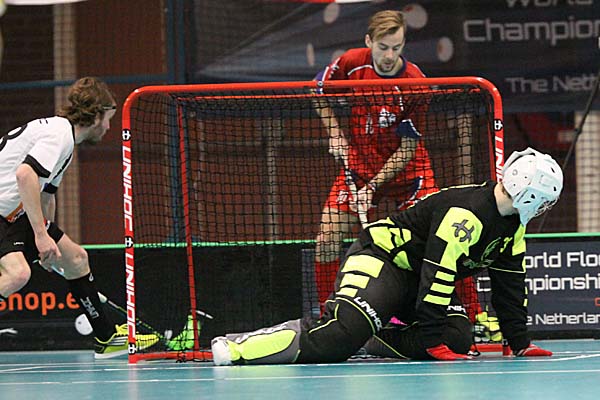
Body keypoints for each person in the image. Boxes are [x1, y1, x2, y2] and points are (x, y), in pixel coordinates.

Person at [211, 147, 562, 365]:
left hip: (415, 276)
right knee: (338, 336)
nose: (545, 208)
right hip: (382, 258)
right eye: (544, 201)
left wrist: (520, 342)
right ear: (529, 196)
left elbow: (510, 286)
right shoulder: (465, 215)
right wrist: (431, 342)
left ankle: (372, 337)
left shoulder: (512, 227)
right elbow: (438, 277)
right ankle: (238, 346)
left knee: (457, 337)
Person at [0, 77, 158, 358]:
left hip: (12, 212)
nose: (108, 127)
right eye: (108, 119)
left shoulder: (66, 141)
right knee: (18, 274)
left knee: (75, 259)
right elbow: (25, 175)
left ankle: (106, 337)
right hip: (5, 212)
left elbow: (46, 195)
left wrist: (47, 240)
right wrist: (40, 236)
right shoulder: (59, 135)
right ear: (96, 116)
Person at [311, 10, 439, 314]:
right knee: (327, 238)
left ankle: (473, 315)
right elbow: (316, 91)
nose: (389, 56)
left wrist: (371, 187)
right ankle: (327, 314)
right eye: (383, 47)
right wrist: (336, 135)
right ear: (369, 41)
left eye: (397, 47)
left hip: (409, 174)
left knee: (439, 242)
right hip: (360, 164)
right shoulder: (352, 63)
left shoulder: (415, 83)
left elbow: (407, 149)